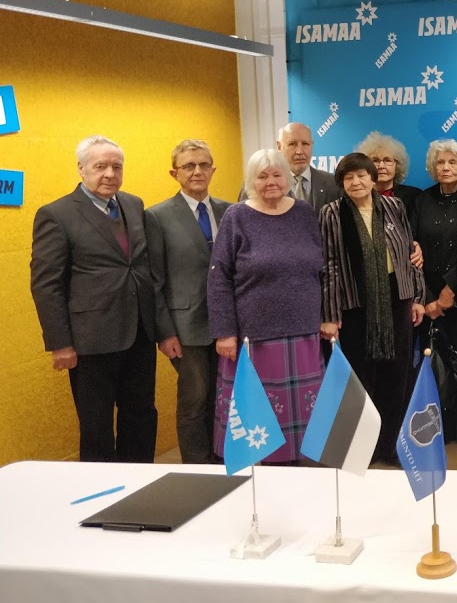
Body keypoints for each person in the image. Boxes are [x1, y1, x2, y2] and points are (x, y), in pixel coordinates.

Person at [30, 135, 174, 462]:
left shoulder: (134, 205)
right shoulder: (57, 214)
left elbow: (144, 270)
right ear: (81, 169)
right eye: (100, 166)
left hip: (139, 334)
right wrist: (60, 344)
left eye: (116, 166)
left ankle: (139, 482)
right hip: (91, 341)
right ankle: (101, 490)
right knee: (96, 427)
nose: (110, 173)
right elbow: (46, 284)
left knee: (141, 416)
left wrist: (163, 330)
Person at [208, 148, 324, 465]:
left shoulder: (304, 213)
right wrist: (224, 332)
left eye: (277, 174)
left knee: (303, 419)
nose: (271, 182)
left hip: (304, 332)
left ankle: (299, 467)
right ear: (251, 181)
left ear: (288, 178)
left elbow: (321, 268)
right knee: (259, 421)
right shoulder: (236, 217)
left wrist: (327, 317)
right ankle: (261, 472)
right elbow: (219, 277)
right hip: (254, 337)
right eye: (262, 176)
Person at [319, 152, 425, 463]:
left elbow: (409, 255)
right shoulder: (331, 213)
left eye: (361, 175)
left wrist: (417, 297)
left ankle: (391, 447)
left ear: (372, 178)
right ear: (341, 182)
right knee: (359, 379)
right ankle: (361, 450)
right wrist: (330, 314)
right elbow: (329, 265)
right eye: (348, 177)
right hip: (355, 304)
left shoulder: (394, 206)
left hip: (397, 299)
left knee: (397, 376)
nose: (356, 182)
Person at [145, 139, 231, 464]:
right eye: (189, 166)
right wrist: (164, 332)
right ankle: (198, 467)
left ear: (213, 169)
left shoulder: (230, 211)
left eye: (204, 164)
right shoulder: (156, 216)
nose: (197, 171)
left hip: (227, 325)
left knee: (223, 398)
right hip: (185, 328)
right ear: (174, 173)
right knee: (194, 400)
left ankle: (222, 460)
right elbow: (154, 281)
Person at [412, 139, 457, 450]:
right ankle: (439, 429)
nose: (445, 167)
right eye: (440, 162)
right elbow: (413, 248)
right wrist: (429, 297)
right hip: (428, 301)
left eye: (452, 162)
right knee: (435, 367)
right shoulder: (422, 199)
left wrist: (448, 291)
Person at [238, 122, 341, 210]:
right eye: (292, 144)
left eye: (305, 144)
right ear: (279, 146)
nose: (299, 151)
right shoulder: (255, 186)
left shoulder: (333, 184)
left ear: (312, 145)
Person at [358, 131, 422, 216]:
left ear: (397, 166)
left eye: (387, 160)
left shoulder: (414, 196)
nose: (381, 166)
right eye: (375, 160)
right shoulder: (357, 196)